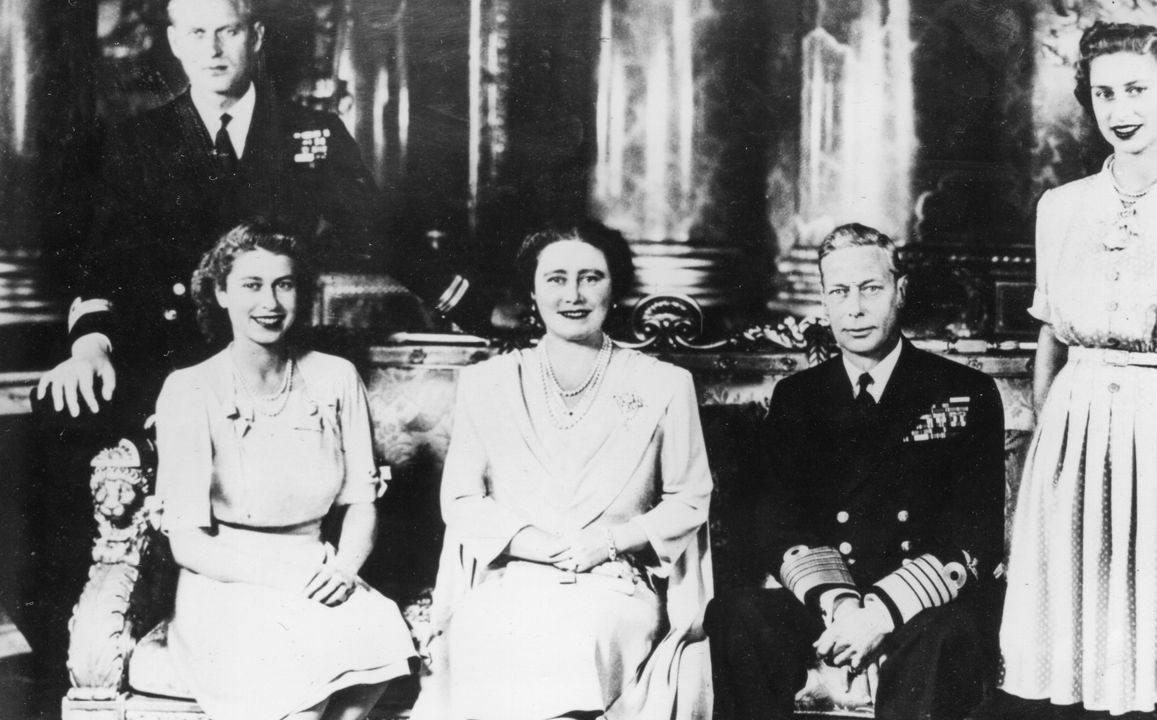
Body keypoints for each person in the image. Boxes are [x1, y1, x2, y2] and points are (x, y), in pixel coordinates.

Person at [20, 0, 488, 678]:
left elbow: (390, 233)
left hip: (276, 357)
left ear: (256, 37)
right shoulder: (135, 139)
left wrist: (474, 305)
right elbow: (102, 261)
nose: (214, 49)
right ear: (176, 43)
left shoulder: (309, 133)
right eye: (199, 33)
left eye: (230, 31)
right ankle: (83, 651)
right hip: (165, 359)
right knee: (59, 424)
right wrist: (90, 343)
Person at [992, 22, 1157, 718]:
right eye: (1103, 92)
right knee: (1071, 650)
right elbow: (1049, 342)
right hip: (1072, 438)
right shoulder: (1061, 208)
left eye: (1136, 89)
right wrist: (1044, 455)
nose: (1119, 109)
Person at [704, 223, 1006, 720]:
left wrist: (880, 613)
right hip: (833, 599)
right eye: (839, 292)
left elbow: (974, 534)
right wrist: (843, 609)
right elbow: (778, 524)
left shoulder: (962, 391)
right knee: (738, 614)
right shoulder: (798, 398)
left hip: (922, 606)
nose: (855, 308)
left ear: (899, 292)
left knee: (941, 637)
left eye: (871, 289)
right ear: (824, 300)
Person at [413, 223, 715, 720]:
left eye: (590, 277)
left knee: (578, 636)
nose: (573, 295)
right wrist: (534, 543)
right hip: (513, 575)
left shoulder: (665, 383)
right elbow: (462, 500)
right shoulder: (488, 383)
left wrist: (611, 542)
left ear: (614, 287)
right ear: (532, 290)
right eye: (556, 279)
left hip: (612, 580)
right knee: (484, 629)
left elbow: (690, 499)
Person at [154, 222, 415, 720]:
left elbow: (362, 502)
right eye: (252, 285)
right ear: (221, 293)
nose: (269, 302)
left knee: (375, 630)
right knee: (290, 668)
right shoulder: (190, 389)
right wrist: (286, 580)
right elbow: (188, 543)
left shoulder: (336, 377)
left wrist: (344, 569)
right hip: (223, 582)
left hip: (319, 568)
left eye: (284, 284)